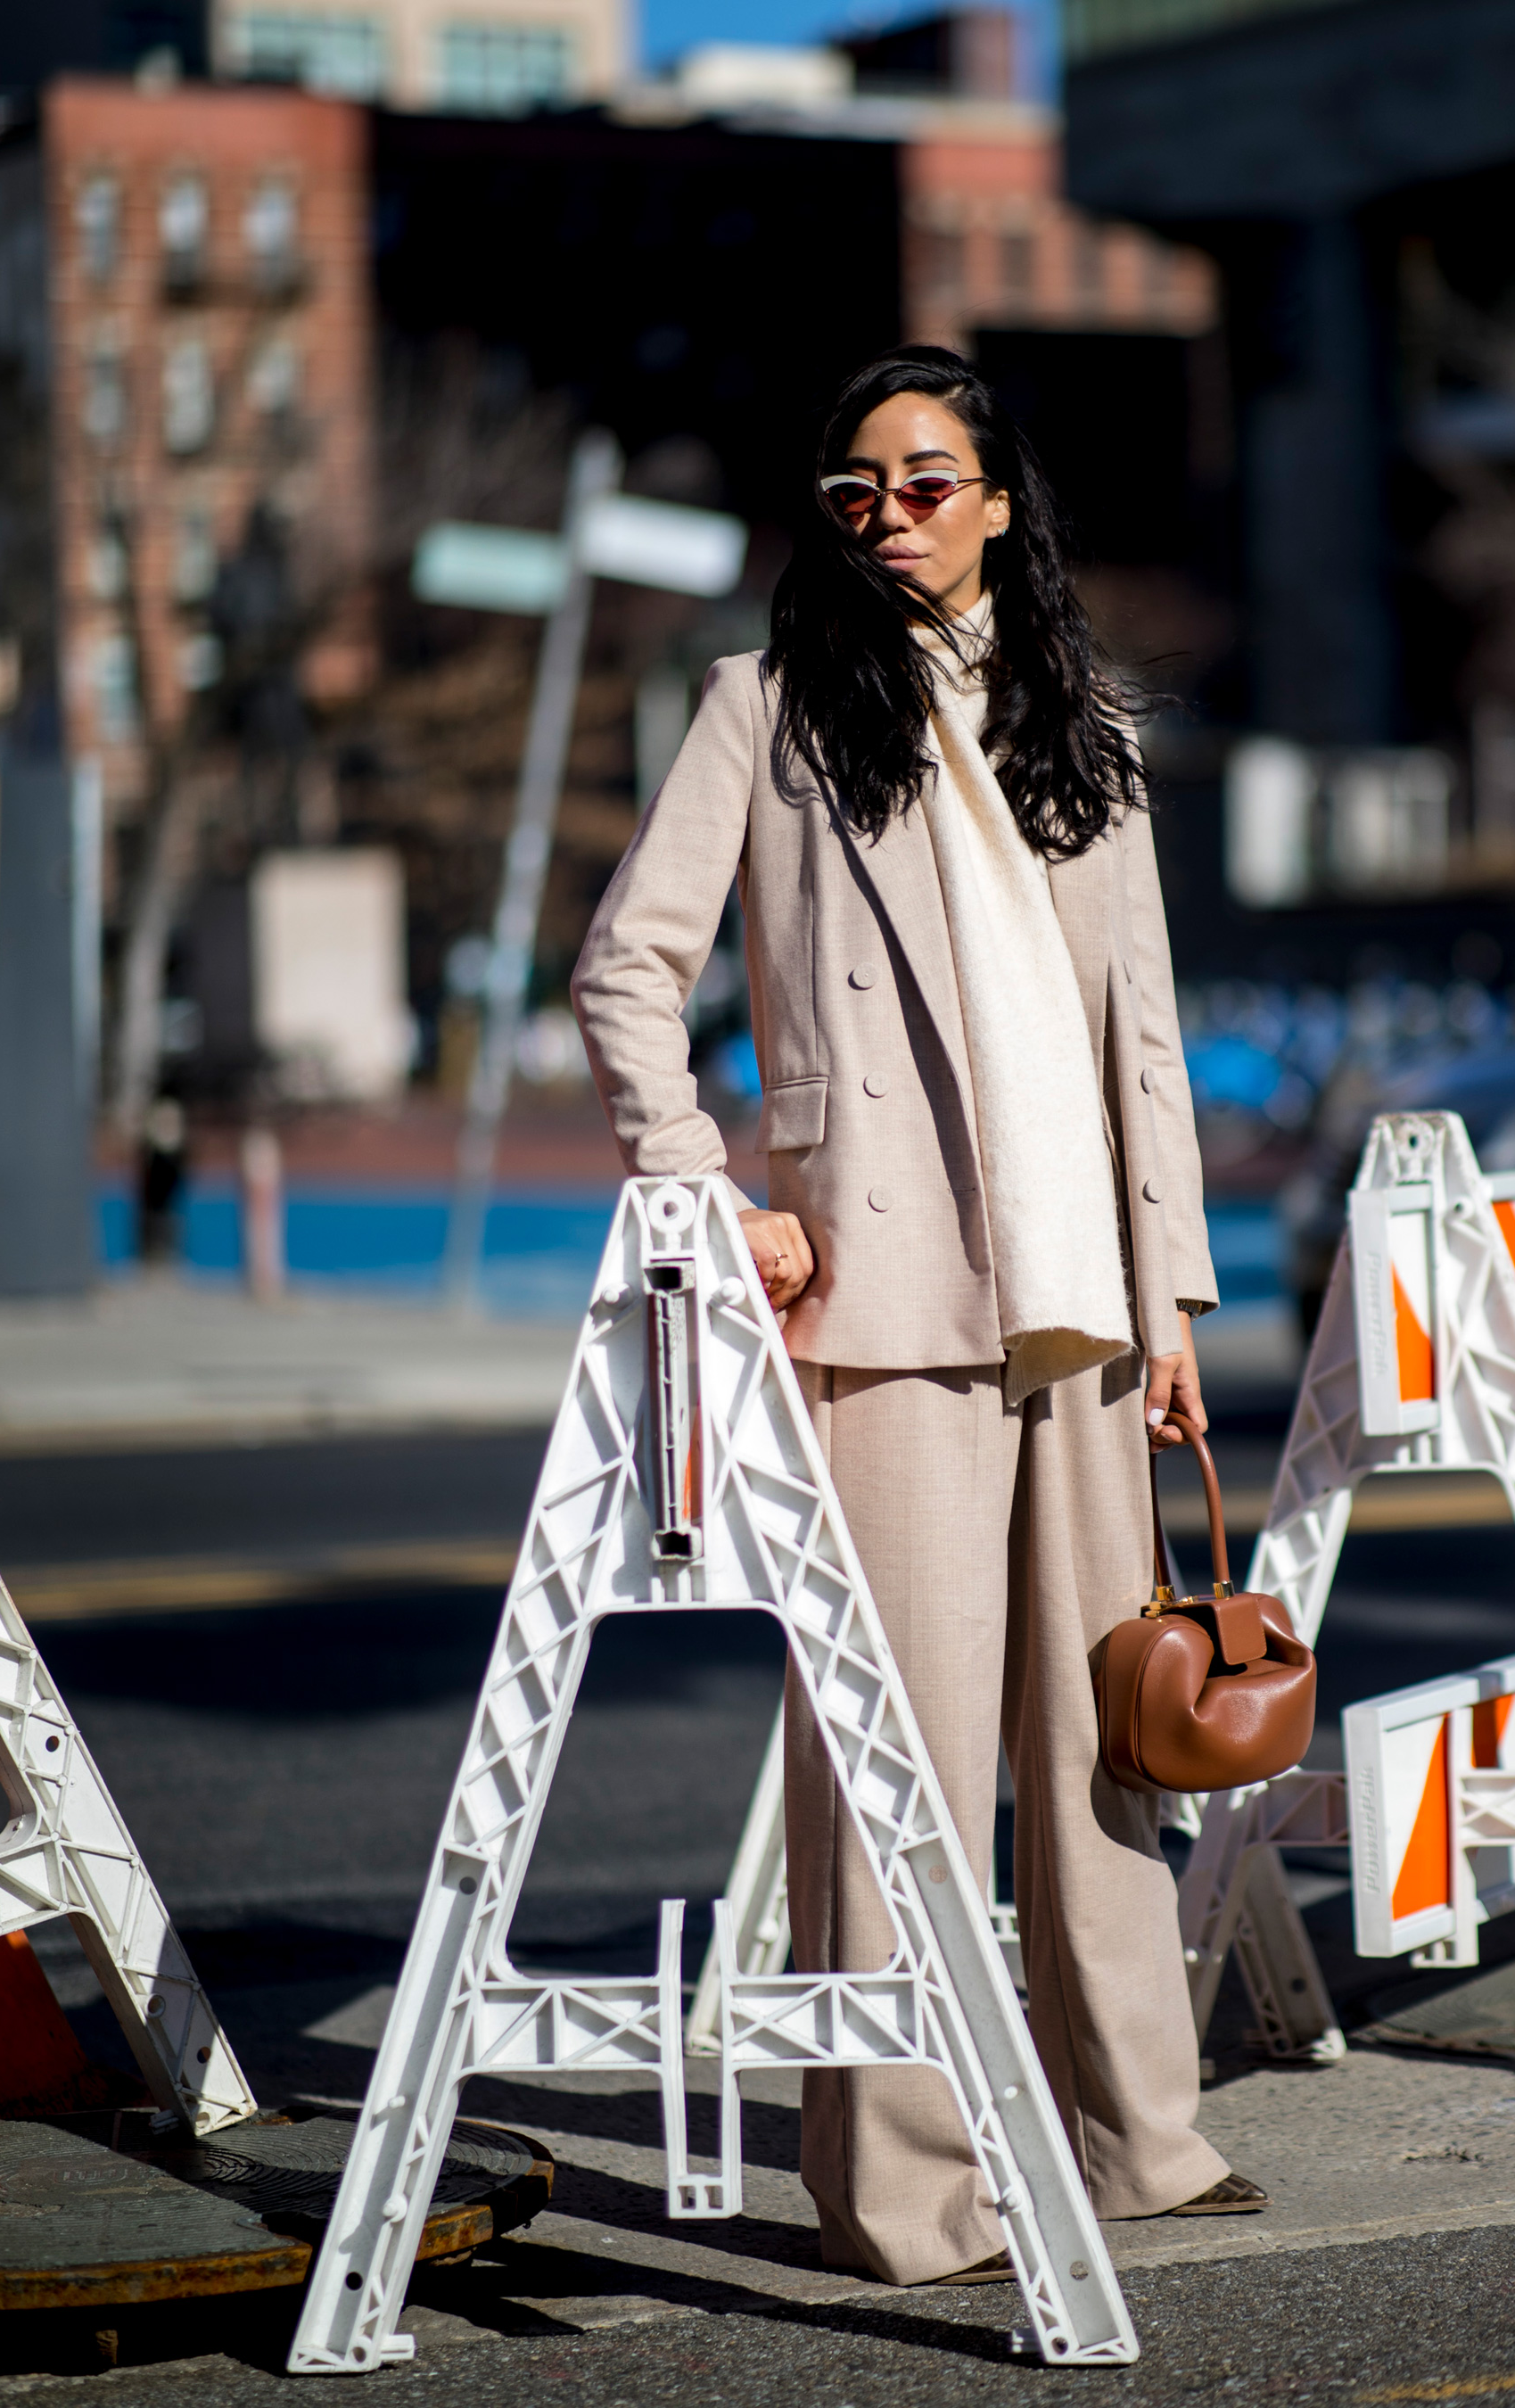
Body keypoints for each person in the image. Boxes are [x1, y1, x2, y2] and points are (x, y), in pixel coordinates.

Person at [572, 345, 1265, 2286]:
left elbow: (1144, 1032)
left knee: (1108, 1741)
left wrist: (1175, 1297)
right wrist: (705, 1184)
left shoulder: (1083, 720)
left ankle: (1139, 2132)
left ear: (1000, 502)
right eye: (858, 489)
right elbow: (629, 969)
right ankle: (896, 2185)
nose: (891, 515)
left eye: (929, 480)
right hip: (883, 1304)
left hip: (1087, 1308)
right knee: (893, 1765)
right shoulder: (770, 705)